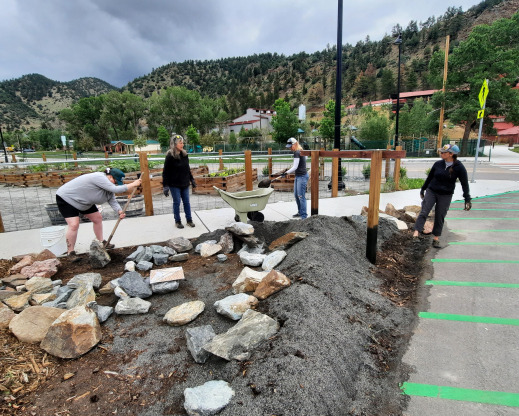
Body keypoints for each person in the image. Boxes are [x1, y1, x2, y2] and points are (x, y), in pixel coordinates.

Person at [56, 168, 142, 262]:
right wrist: (133, 184)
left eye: (116, 183)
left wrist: (119, 211)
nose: (114, 183)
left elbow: (112, 200)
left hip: (84, 201)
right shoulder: (99, 177)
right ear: (110, 176)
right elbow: (115, 189)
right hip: (67, 199)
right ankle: (70, 252)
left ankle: (101, 242)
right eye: (114, 180)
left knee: (97, 218)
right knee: (74, 225)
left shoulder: (109, 186)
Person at [413, 144, 472, 248]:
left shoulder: (459, 167)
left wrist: (467, 199)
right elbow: (430, 177)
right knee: (424, 211)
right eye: (441, 152)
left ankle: (436, 239)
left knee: (440, 215)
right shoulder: (438, 164)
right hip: (432, 191)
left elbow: (464, 184)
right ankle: (416, 234)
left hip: (446, 194)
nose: (441, 154)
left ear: (451, 154)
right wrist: (423, 189)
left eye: (444, 152)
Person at [162, 134, 197, 229]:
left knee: (186, 202)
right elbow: (165, 172)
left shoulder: (184, 155)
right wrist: (165, 186)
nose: (182, 145)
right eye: (180, 143)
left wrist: (192, 179)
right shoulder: (170, 156)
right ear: (174, 144)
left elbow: (187, 169)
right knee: (177, 202)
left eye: (182, 143)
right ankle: (177, 221)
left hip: (185, 183)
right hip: (174, 184)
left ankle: (189, 220)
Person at [282, 137, 309, 219]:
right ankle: (300, 212)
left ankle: (304, 216)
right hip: (299, 176)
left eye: (291, 146)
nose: (290, 148)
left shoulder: (297, 152)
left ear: (296, 144)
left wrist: (286, 172)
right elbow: (306, 158)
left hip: (302, 176)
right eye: (289, 146)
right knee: (296, 195)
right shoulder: (301, 151)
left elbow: (295, 166)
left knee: (301, 196)